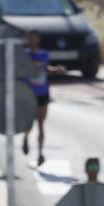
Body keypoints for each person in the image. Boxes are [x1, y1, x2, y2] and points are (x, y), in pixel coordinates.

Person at [21, 31, 63, 167]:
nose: (32, 40)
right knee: (29, 125)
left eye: (35, 37)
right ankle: (26, 138)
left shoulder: (44, 54)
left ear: (38, 39)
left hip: (42, 93)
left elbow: (46, 69)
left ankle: (40, 153)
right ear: (28, 39)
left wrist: (56, 70)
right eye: (30, 38)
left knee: (41, 125)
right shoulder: (24, 55)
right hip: (28, 94)